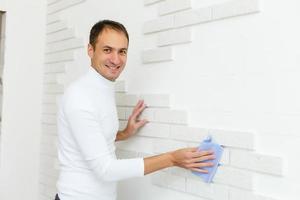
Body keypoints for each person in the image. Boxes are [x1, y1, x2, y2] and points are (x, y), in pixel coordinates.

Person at [55, 20, 215, 200]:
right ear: (90, 50)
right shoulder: (80, 96)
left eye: (122, 51)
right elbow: (106, 169)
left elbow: (90, 136)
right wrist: (172, 159)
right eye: (107, 50)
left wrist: (124, 133)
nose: (116, 60)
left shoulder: (100, 88)